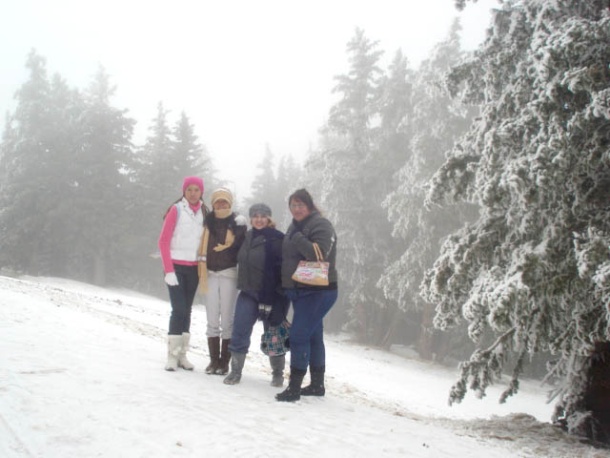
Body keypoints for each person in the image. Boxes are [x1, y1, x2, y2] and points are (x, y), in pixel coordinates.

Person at [276, 189, 338, 402]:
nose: (297, 209)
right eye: (293, 205)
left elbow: (319, 253)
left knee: (299, 336)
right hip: (301, 291)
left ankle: (294, 388)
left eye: (301, 204)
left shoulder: (321, 225)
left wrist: (298, 237)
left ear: (310, 206)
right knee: (313, 336)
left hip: (318, 291)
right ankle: (317, 385)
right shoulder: (296, 226)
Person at [223, 203, 289, 386]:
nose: (259, 219)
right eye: (255, 216)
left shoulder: (278, 239)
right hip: (248, 292)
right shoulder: (246, 236)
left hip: (273, 296)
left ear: (269, 218)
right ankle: (235, 372)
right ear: (251, 218)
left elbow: (284, 270)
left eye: (263, 216)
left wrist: (280, 296)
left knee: (274, 334)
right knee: (239, 331)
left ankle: (277, 373)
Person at [158, 176, 207, 371]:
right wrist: (168, 270)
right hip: (176, 267)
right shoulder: (176, 210)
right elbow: (163, 241)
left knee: (187, 310)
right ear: (184, 192)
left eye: (196, 189)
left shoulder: (205, 211)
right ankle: (172, 355)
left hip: (194, 268)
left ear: (201, 191)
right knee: (178, 309)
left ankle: (182, 355)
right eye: (189, 190)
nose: (193, 193)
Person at [198, 187, 247, 375]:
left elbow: (241, 248)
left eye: (224, 201)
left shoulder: (238, 222)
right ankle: (213, 361)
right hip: (209, 274)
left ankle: (224, 362)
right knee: (212, 319)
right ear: (212, 203)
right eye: (217, 201)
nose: (221, 204)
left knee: (227, 319)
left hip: (229, 274)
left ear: (230, 203)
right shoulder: (207, 222)